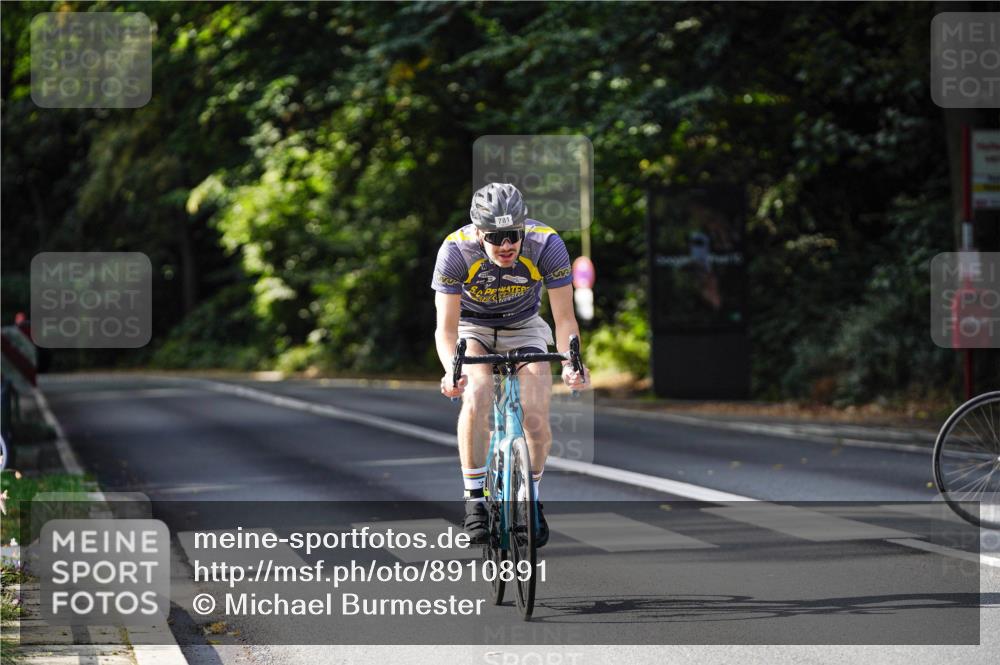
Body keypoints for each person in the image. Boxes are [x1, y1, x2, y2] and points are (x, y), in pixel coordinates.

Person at [431, 182, 590, 548]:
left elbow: (564, 319)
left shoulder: (546, 244)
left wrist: (572, 362)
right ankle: (474, 499)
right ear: (478, 233)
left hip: (524, 326)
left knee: (537, 408)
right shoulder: (456, 250)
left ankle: (530, 499)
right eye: (496, 236)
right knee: (479, 391)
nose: (507, 245)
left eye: (513, 234)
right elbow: (446, 328)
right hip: (472, 327)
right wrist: (450, 371)